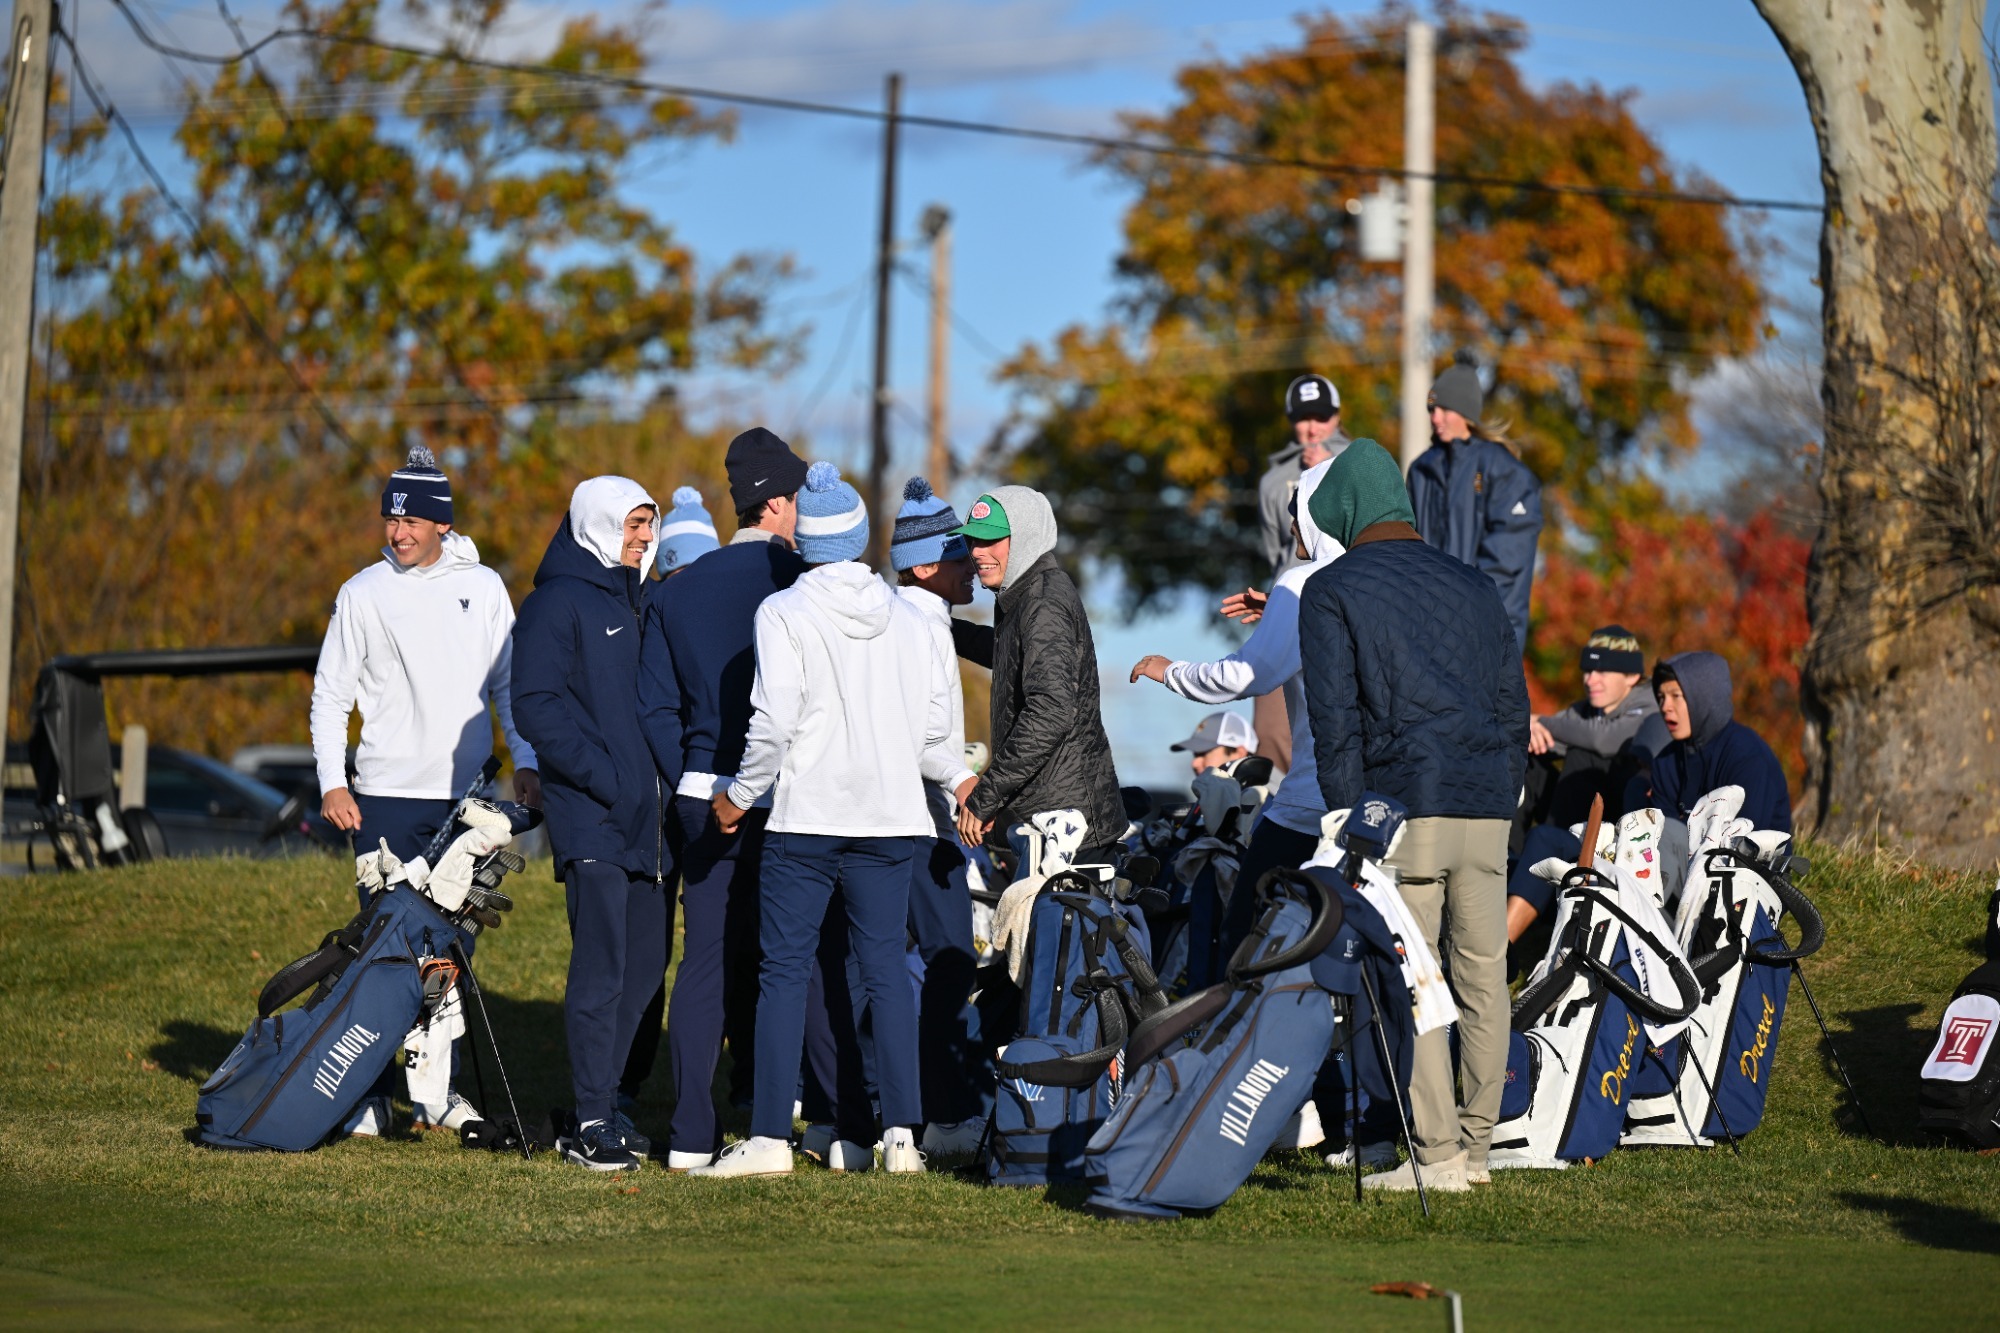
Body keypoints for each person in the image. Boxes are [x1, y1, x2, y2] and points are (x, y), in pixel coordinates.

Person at [692, 463, 963, 1178]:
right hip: (892, 816)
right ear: (860, 538)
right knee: (880, 971)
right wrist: (961, 779)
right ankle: (899, 1137)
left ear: (805, 542)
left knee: (784, 971)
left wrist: (738, 795)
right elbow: (936, 734)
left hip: (807, 816)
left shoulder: (783, 612)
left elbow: (773, 722)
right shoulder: (912, 615)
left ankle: (771, 1139)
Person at [1300, 439, 1528, 1194]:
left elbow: (1336, 722)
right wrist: (1507, 788)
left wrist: (1345, 823)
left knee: (1417, 980)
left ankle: (1435, 1161)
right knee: (1484, 981)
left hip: (1406, 811)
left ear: (1348, 513)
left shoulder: (1332, 590)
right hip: (1487, 806)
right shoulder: (1473, 583)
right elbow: (1511, 701)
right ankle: (1478, 1147)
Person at [309, 445, 540, 1138]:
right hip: (382, 797)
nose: (397, 531)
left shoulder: (487, 588)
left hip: (465, 801)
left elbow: (509, 688)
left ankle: (436, 1097)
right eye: (390, 518)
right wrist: (331, 782)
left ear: (442, 523)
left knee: (449, 954)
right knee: (381, 954)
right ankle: (370, 1094)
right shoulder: (361, 593)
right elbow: (329, 697)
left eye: (411, 520)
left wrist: (525, 760)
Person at [636, 430, 808, 1170]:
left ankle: (691, 1135)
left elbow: (653, 707)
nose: (804, 513)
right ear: (775, 501)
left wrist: (693, 775)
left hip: (700, 794)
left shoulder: (679, 591)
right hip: (787, 798)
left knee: (701, 963)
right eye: (798, 498)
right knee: (790, 962)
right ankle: (799, 1118)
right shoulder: (801, 580)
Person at [1130, 456, 1346, 953]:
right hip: (1379, 806)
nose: (1289, 524)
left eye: (1297, 512)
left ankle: (1233, 1029)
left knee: (1242, 932)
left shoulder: (1302, 582)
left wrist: (1170, 670)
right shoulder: (1371, 583)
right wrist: (1279, 614)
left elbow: (1246, 675)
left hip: (1311, 802)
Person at [512, 475, 664, 1173]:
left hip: (649, 823)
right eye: (632, 523)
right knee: (602, 970)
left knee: (644, 968)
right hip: (593, 820)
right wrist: (606, 781)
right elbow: (536, 706)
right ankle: (591, 1122)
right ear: (597, 524)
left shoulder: (640, 600)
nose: (641, 536)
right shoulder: (554, 603)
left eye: (646, 523)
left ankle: (602, 1103)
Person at [887, 476, 987, 1156]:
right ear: (924, 565)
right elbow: (923, 739)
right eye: (958, 555)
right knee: (950, 956)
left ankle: (876, 1112)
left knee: (879, 962)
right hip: (919, 806)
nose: (972, 563)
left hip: (883, 805)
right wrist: (963, 779)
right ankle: (944, 1115)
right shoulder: (920, 625)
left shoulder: (915, 616)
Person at [948, 487, 1125, 862]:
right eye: (973, 540)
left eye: (992, 539)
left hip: (1069, 831)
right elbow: (1007, 653)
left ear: (1026, 536)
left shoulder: (1042, 601)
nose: (978, 552)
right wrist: (937, 626)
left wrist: (984, 797)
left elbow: (1050, 712)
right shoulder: (1023, 594)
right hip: (1053, 822)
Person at [618, 484, 718, 1121]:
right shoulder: (646, 611)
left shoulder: (662, 607)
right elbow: (651, 710)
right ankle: (626, 1082)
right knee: (659, 953)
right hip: (669, 803)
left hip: (683, 796)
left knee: (682, 952)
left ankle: (639, 1084)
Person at [1507, 625, 1671, 942]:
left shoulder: (1650, 705)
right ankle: (1512, 863)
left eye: (1602, 670)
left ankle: (1553, 857)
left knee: (1584, 752)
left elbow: (1603, 739)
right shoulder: (1586, 710)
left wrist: (1539, 722)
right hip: (1577, 805)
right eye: (1587, 669)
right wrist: (1531, 731)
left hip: (1617, 823)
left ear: (1631, 676)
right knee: (1529, 763)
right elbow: (1547, 737)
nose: (1589, 679)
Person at [1248, 373, 1352, 770]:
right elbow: (1276, 551)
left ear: (1338, 417)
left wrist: (1329, 472)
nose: (1313, 427)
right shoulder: (1273, 480)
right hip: (1287, 609)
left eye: (1322, 416)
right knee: (1273, 729)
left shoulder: (1364, 463)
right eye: (1304, 417)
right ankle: (1279, 816)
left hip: (1343, 612)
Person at [1406, 364, 1542, 651]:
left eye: (1444, 409)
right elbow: (1407, 545)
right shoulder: (1421, 470)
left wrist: (1458, 610)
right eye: (1431, 410)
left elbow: (1507, 558)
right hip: (1427, 632)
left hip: (1487, 635)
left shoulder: (1505, 471)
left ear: (1466, 412)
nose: (1435, 418)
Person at [1628, 651, 1791, 833]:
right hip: (1678, 859)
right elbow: (1661, 838)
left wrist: (1682, 825)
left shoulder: (1747, 757)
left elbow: (1741, 839)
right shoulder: (1666, 762)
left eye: (1676, 696)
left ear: (1704, 697)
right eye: (1661, 697)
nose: (1665, 707)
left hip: (1745, 860)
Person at [1166, 711, 1256, 777]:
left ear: (1239, 754)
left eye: (1203, 753)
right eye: (1195, 755)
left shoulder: (1263, 801)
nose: (1194, 764)